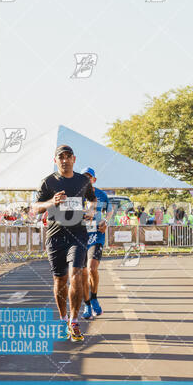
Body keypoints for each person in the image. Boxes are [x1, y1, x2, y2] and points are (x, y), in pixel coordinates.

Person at [32, 145, 96, 342]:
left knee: (76, 275)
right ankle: (63, 319)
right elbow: (34, 208)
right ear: (55, 160)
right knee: (60, 281)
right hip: (55, 235)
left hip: (77, 234)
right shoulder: (48, 182)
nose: (65, 160)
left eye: (68, 157)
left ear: (74, 159)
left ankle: (74, 322)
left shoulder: (83, 180)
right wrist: (51, 202)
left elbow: (92, 200)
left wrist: (91, 210)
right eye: (61, 157)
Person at [81, 167, 113, 320]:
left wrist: (105, 221)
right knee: (83, 273)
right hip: (81, 236)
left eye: (89, 177)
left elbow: (110, 211)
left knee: (92, 268)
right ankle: (87, 304)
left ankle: (94, 298)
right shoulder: (76, 195)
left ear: (94, 179)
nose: (87, 179)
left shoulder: (101, 194)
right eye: (84, 177)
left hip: (97, 235)